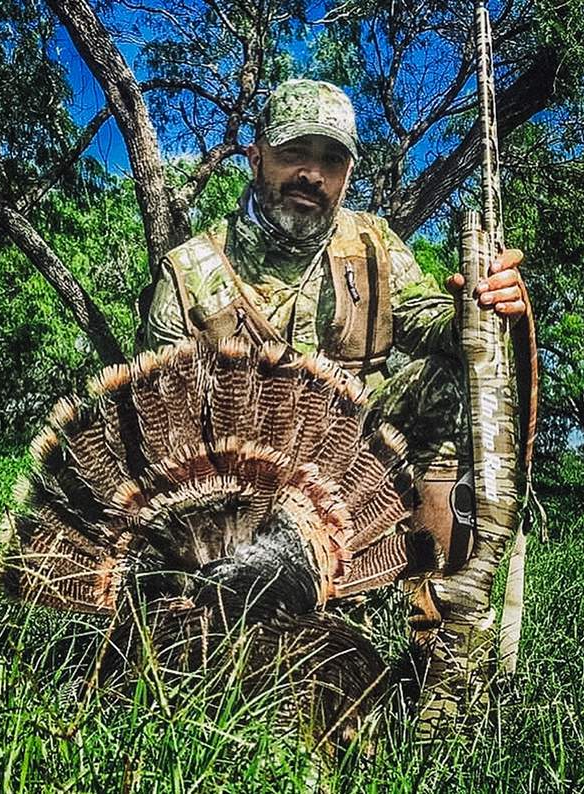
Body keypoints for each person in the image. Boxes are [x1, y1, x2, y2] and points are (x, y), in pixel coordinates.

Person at [144, 78, 527, 572]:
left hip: (359, 466)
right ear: (256, 157)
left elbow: (426, 316)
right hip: (237, 493)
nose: (312, 174)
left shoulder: (373, 244)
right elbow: (166, 429)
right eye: (295, 152)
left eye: (332, 161)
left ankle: (431, 601)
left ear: (347, 175)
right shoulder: (189, 271)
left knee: (449, 378)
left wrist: (475, 308)